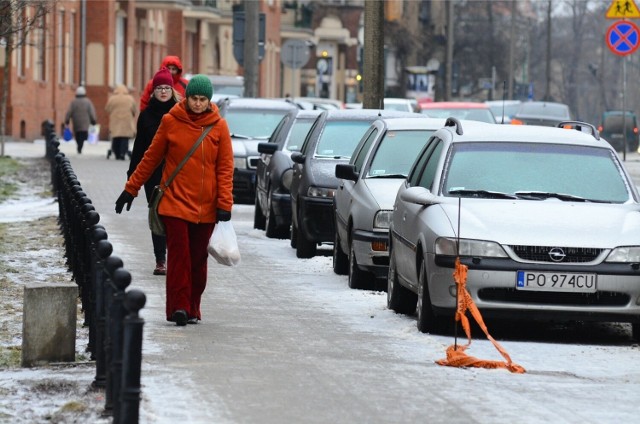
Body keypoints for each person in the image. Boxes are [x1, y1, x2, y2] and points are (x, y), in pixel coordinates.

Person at [115, 74, 234, 327]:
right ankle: (178, 307)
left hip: (206, 207)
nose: (198, 103)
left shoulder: (219, 127)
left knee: (198, 260)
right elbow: (150, 158)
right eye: (194, 98)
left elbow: (225, 168)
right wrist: (131, 189)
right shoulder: (170, 121)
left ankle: (193, 306)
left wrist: (225, 204)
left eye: (203, 99)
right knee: (179, 257)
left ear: (209, 101)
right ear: (187, 97)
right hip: (175, 203)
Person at [126, 68, 179, 275]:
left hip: (176, 173)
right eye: (159, 88)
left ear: (172, 90)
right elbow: (139, 147)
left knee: (174, 216)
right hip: (153, 175)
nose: (164, 92)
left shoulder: (180, 112)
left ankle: (175, 256)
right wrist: (132, 177)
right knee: (157, 215)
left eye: (167, 88)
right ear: (153, 91)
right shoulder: (146, 116)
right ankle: (160, 260)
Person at [105, 84, 137, 160]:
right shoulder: (130, 98)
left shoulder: (112, 98)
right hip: (127, 121)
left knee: (116, 137)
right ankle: (123, 153)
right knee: (125, 138)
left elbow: (107, 109)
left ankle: (117, 153)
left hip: (115, 121)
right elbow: (134, 110)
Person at [64, 86, 97, 154]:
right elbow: (91, 112)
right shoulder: (88, 102)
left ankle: (79, 145)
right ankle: (80, 146)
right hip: (85, 122)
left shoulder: (73, 102)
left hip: (76, 122)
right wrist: (93, 120)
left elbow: (69, 112)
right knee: (83, 134)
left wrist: (67, 120)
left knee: (77, 134)